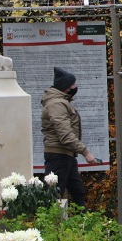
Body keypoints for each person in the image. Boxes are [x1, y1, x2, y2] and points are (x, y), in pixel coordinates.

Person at [41, 67, 98, 208]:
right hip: (58, 154)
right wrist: (86, 152)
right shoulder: (57, 104)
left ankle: (85, 224)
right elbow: (65, 134)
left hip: (65, 154)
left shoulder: (60, 102)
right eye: (73, 84)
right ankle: (51, 226)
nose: (75, 87)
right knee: (54, 195)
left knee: (77, 191)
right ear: (66, 88)